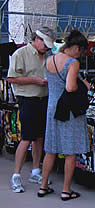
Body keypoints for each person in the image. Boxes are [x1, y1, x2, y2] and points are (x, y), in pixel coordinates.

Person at [36, 30, 90, 201]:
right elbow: (70, 87)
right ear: (75, 48)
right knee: (70, 151)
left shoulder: (50, 59)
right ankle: (66, 191)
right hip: (67, 111)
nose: (81, 55)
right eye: (81, 51)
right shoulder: (72, 63)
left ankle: (43, 186)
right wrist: (84, 85)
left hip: (51, 108)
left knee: (50, 149)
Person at [8, 26, 56, 193]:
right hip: (28, 99)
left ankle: (36, 171)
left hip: (44, 99)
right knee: (27, 137)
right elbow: (12, 78)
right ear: (37, 39)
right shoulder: (20, 54)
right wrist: (35, 81)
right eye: (45, 44)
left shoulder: (49, 55)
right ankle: (16, 175)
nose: (46, 48)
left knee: (40, 137)